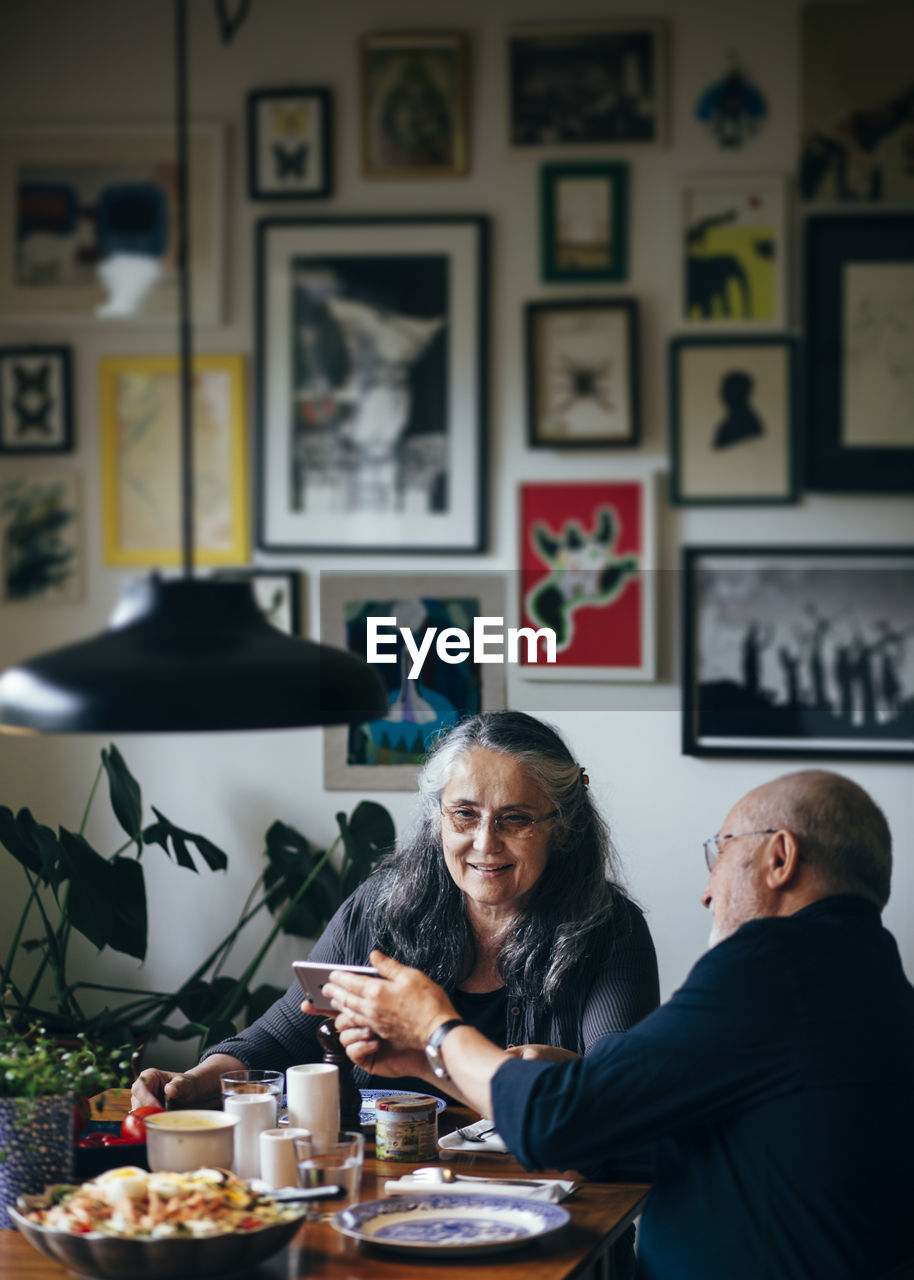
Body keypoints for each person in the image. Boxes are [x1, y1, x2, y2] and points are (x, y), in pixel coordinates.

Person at [325, 769, 914, 1280]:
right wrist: (425, 1061)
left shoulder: (771, 966)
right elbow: (618, 1136)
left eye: (721, 853)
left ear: (779, 857)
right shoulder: (867, 976)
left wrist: (435, 1026)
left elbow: (557, 1122)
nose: (708, 893)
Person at [132, 710, 659, 1110]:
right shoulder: (381, 906)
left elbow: (624, 1093)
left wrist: (573, 1073)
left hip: (549, 1201)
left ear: (560, 827)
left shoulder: (609, 930)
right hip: (383, 1191)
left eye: (515, 819)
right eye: (464, 815)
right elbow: (278, 1038)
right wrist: (197, 1081)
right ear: (437, 819)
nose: (484, 842)